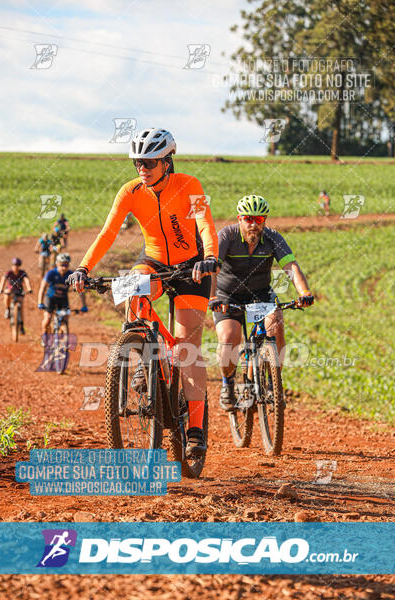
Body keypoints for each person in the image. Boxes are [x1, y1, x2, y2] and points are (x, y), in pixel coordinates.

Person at [68, 128, 218, 458]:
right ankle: (139, 352)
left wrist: (208, 257)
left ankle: (194, 431)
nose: (142, 168)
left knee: (187, 349)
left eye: (149, 161)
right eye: (138, 162)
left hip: (191, 267)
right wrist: (83, 268)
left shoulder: (189, 185)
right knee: (129, 290)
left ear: (167, 161)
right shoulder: (131, 191)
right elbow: (108, 233)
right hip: (152, 261)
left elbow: (206, 223)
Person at [209, 195, 314, 411]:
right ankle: (228, 384)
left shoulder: (273, 237)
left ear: (264, 220)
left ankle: (271, 383)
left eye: (259, 219)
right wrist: (212, 298)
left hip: (260, 293)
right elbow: (213, 268)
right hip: (228, 295)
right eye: (248, 219)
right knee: (229, 337)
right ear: (239, 218)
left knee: (276, 327)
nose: (253, 224)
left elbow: (290, 266)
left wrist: (304, 292)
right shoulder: (227, 235)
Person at [38, 253, 87, 342]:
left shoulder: (71, 275)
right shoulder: (51, 273)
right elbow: (42, 288)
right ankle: (45, 335)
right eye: (62, 265)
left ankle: (63, 332)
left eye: (66, 265)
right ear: (57, 264)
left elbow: (81, 291)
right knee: (48, 319)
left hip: (63, 299)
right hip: (50, 299)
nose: (64, 267)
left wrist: (84, 305)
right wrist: (40, 303)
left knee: (65, 317)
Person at [0, 258, 33, 334]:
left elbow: (26, 280)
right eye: (14, 265)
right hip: (10, 290)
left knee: (21, 306)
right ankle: (7, 310)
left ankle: (21, 325)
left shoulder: (22, 273)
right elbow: (3, 280)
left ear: (19, 266)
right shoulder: (9, 273)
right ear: (12, 265)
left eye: (17, 265)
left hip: (19, 291)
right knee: (7, 293)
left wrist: (29, 288)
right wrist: (0, 289)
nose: (15, 267)